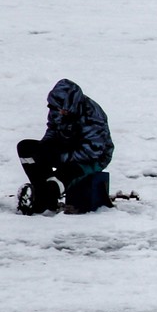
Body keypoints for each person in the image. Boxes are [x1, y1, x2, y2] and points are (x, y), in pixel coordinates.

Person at [17, 78, 114, 214]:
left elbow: (93, 151)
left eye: (62, 110)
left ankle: (46, 196)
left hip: (93, 157)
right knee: (26, 148)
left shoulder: (93, 115)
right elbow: (52, 129)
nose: (59, 113)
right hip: (66, 148)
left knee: (66, 173)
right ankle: (40, 189)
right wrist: (45, 149)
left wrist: (60, 158)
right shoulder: (57, 108)